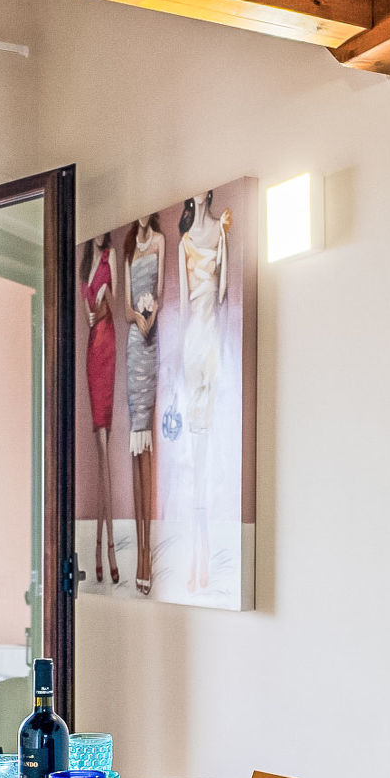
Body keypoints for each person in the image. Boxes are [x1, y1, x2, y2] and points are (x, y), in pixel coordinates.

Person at [176, 191, 230, 592]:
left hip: (211, 341)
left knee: (208, 454)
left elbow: (224, 294)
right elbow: (182, 305)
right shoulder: (183, 243)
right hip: (195, 342)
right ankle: (196, 559)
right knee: (195, 457)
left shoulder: (219, 233)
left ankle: (206, 557)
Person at [123, 215, 163, 596]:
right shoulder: (128, 249)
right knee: (135, 439)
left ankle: (148, 550)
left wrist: (151, 319)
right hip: (135, 342)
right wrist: (139, 318)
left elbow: (160, 293)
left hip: (151, 344)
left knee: (147, 441)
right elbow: (125, 308)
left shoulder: (161, 242)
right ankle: (138, 549)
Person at [80, 233, 120, 585]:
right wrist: (96, 307)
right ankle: (100, 546)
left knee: (105, 440)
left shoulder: (109, 258)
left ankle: (105, 546)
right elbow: (87, 314)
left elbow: (112, 304)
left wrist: (104, 301)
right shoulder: (84, 267)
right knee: (99, 443)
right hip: (93, 347)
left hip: (107, 341)